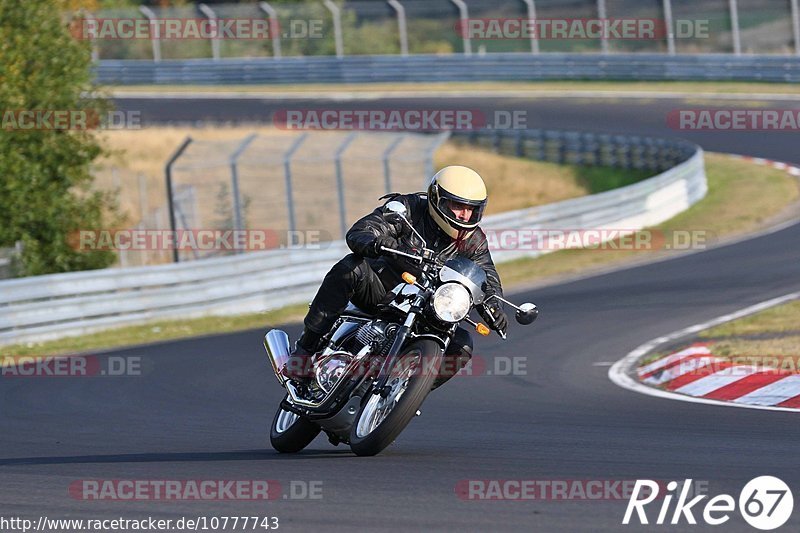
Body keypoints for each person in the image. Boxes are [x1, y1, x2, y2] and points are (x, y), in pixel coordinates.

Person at [282, 165, 508, 389]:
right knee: (350, 268)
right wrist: (377, 241)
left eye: (471, 209)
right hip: (381, 290)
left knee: (462, 345)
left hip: (429, 308)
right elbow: (362, 230)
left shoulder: (474, 240)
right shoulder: (407, 209)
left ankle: (402, 395)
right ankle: (304, 352)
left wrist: (494, 306)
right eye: (457, 206)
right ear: (437, 198)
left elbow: (486, 276)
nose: (464, 215)